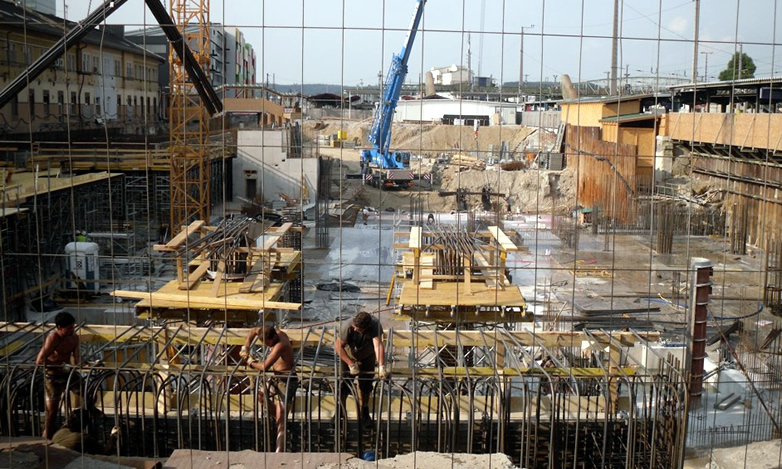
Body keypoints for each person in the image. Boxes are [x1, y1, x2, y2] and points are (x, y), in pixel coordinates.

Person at [240, 326, 297, 453]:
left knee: (281, 420)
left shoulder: (280, 344)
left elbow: (264, 366)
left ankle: (279, 453)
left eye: (268, 343)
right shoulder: (267, 331)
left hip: (287, 380)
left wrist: (249, 361)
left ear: (274, 338)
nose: (267, 345)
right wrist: (246, 347)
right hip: (276, 377)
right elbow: (253, 330)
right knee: (260, 395)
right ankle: (278, 419)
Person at [335, 312, 388, 427]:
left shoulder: (374, 325)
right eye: (354, 327)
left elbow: (378, 345)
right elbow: (338, 347)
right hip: (348, 356)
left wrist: (381, 367)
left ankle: (364, 411)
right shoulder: (347, 326)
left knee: (366, 385)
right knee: (344, 385)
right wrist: (350, 364)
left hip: (367, 355)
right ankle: (340, 412)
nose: (354, 329)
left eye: (357, 329)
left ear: (366, 328)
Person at [36, 312, 83, 440]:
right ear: (59, 327)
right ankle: (45, 440)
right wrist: (58, 366)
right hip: (52, 378)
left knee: (87, 391)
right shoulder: (53, 338)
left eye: (73, 327)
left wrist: (82, 364)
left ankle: (78, 420)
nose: (72, 330)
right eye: (68, 328)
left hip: (67, 374)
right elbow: (39, 360)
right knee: (51, 413)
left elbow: (77, 358)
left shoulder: (74, 337)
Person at [51, 409, 119, 455]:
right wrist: (113, 436)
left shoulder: (59, 432)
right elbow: (105, 452)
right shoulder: (82, 438)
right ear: (84, 424)